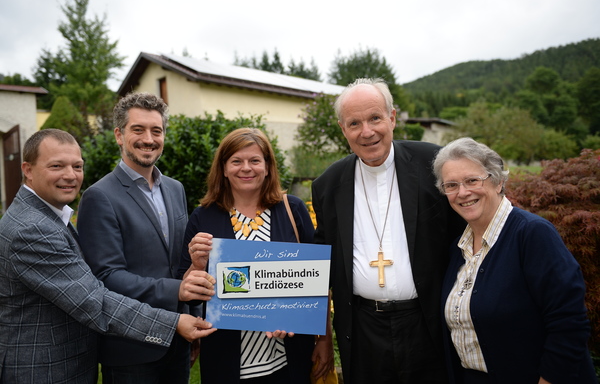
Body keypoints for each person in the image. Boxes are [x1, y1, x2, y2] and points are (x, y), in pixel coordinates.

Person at [0, 129, 216, 384]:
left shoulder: (48, 216)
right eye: (56, 166)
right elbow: (94, 302)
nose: (70, 175)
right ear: (27, 169)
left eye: (77, 166)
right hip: (45, 370)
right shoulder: (33, 229)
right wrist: (173, 323)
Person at [311, 78, 465, 384]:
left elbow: (465, 234)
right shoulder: (328, 184)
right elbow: (321, 263)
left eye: (375, 118)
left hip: (429, 322)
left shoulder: (434, 163)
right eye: (354, 123)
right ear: (343, 129)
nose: (366, 132)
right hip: (362, 329)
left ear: (392, 118)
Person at [432, 137, 597, 384]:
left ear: (497, 181)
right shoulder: (458, 248)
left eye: (472, 180)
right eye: (451, 185)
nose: (462, 192)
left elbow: (569, 322)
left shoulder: (532, 234)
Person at [77, 92, 214, 383]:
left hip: (179, 340)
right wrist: (177, 291)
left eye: (156, 130)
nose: (148, 139)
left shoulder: (175, 189)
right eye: (138, 129)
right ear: (119, 135)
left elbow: (182, 265)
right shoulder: (99, 196)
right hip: (131, 348)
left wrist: (193, 316)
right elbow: (106, 277)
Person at [178, 127, 333, 383]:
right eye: (236, 161)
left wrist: (325, 339)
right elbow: (185, 289)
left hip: (289, 357)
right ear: (224, 168)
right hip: (226, 358)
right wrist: (197, 265)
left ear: (268, 167)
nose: (246, 168)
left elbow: (317, 282)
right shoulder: (203, 217)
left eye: (254, 161)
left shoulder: (292, 209)